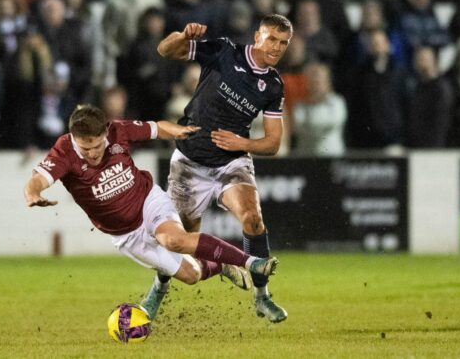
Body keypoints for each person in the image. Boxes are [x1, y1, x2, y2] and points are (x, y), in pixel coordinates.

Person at [24, 104, 279, 320]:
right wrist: (33, 194)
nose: (91, 154)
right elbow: (38, 178)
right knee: (191, 275)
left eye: (97, 146)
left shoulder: (118, 130)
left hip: (148, 201)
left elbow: (156, 128)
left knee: (174, 239)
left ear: (105, 132)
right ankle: (221, 266)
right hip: (125, 234)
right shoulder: (64, 151)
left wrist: (179, 132)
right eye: (85, 148)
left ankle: (251, 262)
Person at [156, 14, 292, 323]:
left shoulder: (272, 85)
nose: (277, 47)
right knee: (178, 243)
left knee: (253, 219)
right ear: (257, 36)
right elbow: (165, 51)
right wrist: (181, 35)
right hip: (190, 161)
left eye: (283, 43)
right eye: (272, 39)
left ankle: (262, 298)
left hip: (231, 161)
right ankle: (156, 293)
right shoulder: (224, 52)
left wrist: (239, 144)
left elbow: (272, 144)